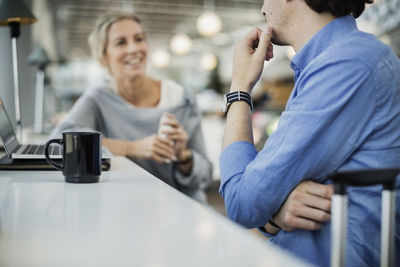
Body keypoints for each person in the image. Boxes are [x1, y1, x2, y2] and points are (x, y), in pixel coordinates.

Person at [219, 0, 400, 266]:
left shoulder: (348, 63)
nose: (262, 9)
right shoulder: (334, 61)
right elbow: (256, 199)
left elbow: (242, 201)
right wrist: (272, 216)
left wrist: (240, 88)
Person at [51, 12, 212, 203]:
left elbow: (206, 175)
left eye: (139, 39)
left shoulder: (181, 97)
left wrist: (183, 156)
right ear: (103, 56)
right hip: (125, 205)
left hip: (180, 206)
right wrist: (131, 147)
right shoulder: (98, 98)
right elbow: (58, 144)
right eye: (121, 42)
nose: (134, 48)